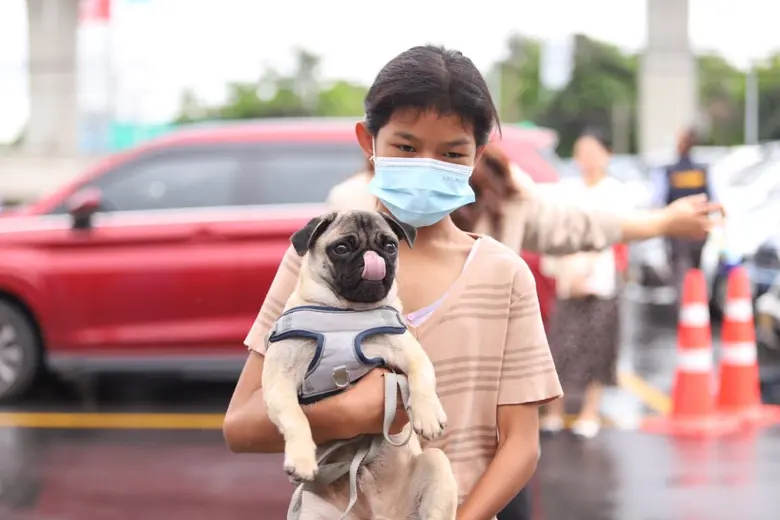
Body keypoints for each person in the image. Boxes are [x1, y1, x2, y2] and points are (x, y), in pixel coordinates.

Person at [224, 46, 723, 520]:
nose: (427, 165)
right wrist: (351, 413)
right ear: (367, 141)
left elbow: (521, 444)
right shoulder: (317, 262)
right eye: (405, 146)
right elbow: (242, 426)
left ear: (478, 154)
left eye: (451, 152)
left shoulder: (503, 273)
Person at [539, 132, 634, 440]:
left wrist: (592, 272)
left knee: (597, 347)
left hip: (602, 281)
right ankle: (555, 412)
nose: (588, 159)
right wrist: (569, 272)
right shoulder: (567, 191)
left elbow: (615, 238)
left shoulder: (616, 192)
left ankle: (589, 412)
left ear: (607, 154)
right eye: (582, 152)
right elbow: (555, 234)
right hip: (569, 279)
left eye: (594, 152)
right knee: (560, 347)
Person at [649, 127, 719, 296]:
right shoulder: (702, 171)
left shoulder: (668, 171)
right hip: (698, 228)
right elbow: (713, 197)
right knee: (696, 269)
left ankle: (685, 308)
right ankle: (696, 303)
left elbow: (657, 200)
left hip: (676, 228)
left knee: (680, 270)